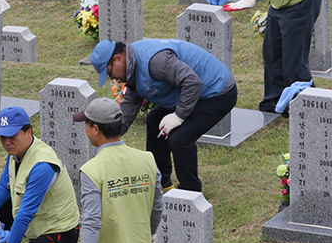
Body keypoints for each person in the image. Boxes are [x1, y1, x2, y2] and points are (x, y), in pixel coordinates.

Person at [90, 39, 237, 192]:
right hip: (191, 93)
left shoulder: (155, 61)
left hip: (217, 92)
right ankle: (161, 182)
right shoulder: (131, 68)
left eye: (109, 73)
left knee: (180, 138)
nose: (113, 79)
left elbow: (192, 82)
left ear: (118, 59)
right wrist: (110, 137)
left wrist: (178, 116)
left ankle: (190, 192)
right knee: (155, 120)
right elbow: (129, 107)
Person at [72, 97, 163, 243]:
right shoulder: (147, 159)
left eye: (86, 124)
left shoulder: (92, 170)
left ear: (95, 129)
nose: (85, 129)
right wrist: (150, 234)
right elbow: (157, 205)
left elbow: (92, 220)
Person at [0, 107, 80, 243]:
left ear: (29, 132)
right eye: (3, 137)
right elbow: (4, 185)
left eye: (13, 136)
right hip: (34, 223)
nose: (7, 142)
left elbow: (25, 214)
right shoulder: (15, 153)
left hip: (58, 232)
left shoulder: (42, 165)